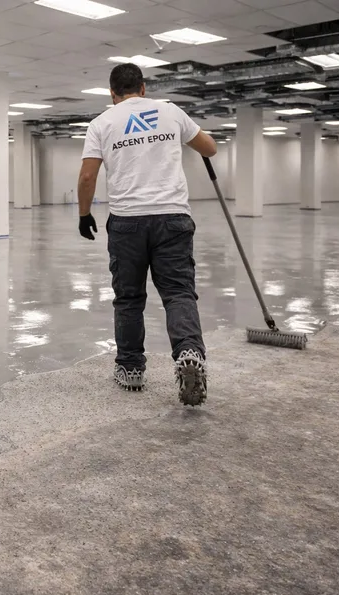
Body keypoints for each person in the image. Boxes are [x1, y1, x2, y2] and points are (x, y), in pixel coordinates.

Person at [77, 63, 217, 406]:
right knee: (179, 292)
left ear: (112, 94)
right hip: (173, 218)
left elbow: (87, 177)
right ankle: (189, 352)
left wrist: (84, 214)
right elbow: (209, 148)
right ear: (143, 88)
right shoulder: (170, 111)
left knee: (129, 298)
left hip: (127, 222)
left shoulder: (102, 123)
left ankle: (131, 369)